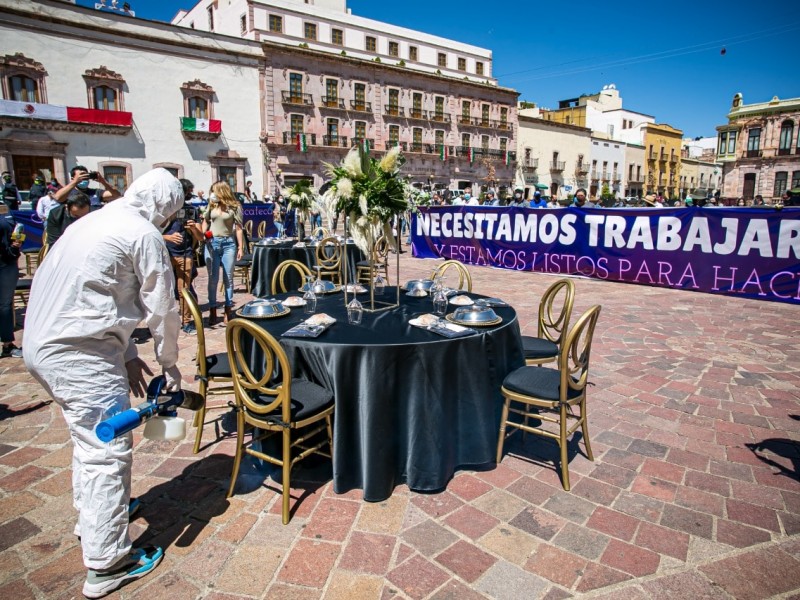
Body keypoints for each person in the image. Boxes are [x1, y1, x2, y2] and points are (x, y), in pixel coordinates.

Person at [23, 168, 184, 598]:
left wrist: (129, 356)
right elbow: (162, 310)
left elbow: (100, 292)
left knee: (86, 441)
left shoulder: (95, 220)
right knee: (106, 451)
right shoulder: (144, 234)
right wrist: (170, 370)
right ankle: (108, 562)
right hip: (79, 353)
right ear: (166, 209)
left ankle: (93, 520)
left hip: (45, 344)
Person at [163, 179, 203, 335]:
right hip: (165, 254)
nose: (189, 195)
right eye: (187, 192)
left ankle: (186, 322)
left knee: (183, 290)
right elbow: (150, 232)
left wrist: (193, 228)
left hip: (184, 254)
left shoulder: (191, 210)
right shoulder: (164, 209)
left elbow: (200, 237)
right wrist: (167, 237)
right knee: (163, 289)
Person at [202, 180, 244, 324]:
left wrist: (240, 247)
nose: (212, 193)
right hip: (212, 243)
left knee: (228, 278)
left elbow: (239, 228)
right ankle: (213, 310)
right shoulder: (212, 204)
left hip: (228, 244)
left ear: (221, 191)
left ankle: (228, 310)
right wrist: (203, 234)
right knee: (213, 279)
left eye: (215, 191)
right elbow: (205, 220)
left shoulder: (235, 206)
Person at [0, 204, 22, 358]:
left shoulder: (5, 213)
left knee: (5, 306)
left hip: (6, 265)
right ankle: (7, 344)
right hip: (6, 264)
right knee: (4, 306)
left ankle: (8, 344)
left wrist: (15, 246)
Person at [55, 165, 121, 209]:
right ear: (72, 178)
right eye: (81, 176)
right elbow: (58, 197)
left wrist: (103, 181)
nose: (84, 178)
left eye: (86, 176)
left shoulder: (95, 192)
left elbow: (116, 195)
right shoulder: (68, 193)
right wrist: (74, 182)